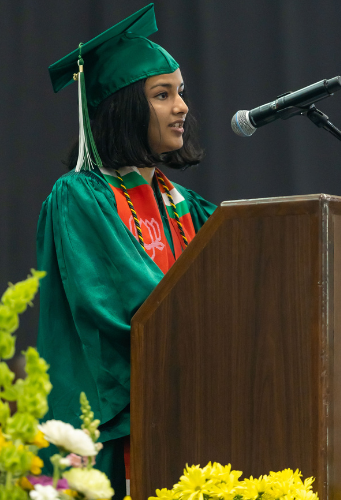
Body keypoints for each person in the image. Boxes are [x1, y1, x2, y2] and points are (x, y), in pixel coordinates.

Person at [36, 4, 216, 497]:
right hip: (125, 415)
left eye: (181, 93)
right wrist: (211, 330)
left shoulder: (187, 205)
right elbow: (117, 304)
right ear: (122, 106)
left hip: (190, 409)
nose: (181, 107)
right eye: (163, 95)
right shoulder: (80, 198)